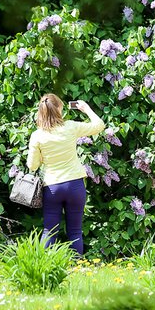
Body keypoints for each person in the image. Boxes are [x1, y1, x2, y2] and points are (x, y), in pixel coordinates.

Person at [27, 94, 105, 255]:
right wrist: (86, 109)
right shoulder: (70, 127)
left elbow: (32, 166)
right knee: (75, 231)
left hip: (52, 187)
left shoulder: (37, 135)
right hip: (75, 185)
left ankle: (44, 264)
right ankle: (77, 265)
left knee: (49, 231)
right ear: (58, 109)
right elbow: (99, 125)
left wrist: (42, 157)